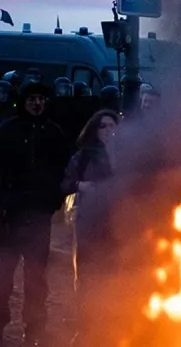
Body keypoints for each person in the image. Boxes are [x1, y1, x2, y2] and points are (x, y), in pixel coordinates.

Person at [0, 82, 70, 344]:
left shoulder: (54, 133)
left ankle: (35, 330)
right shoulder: (7, 131)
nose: (37, 103)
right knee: (3, 276)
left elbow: (64, 170)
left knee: (36, 278)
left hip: (39, 215)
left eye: (41, 98)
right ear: (24, 102)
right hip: (9, 216)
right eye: (32, 99)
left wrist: (54, 199)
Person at [61, 110, 120, 344]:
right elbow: (64, 182)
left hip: (120, 225)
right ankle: (86, 329)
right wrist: (80, 185)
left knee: (115, 277)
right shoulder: (83, 157)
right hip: (89, 224)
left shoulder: (129, 152)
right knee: (86, 277)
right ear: (94, 129)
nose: (108, 131)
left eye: (112, 126)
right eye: (103, 126)